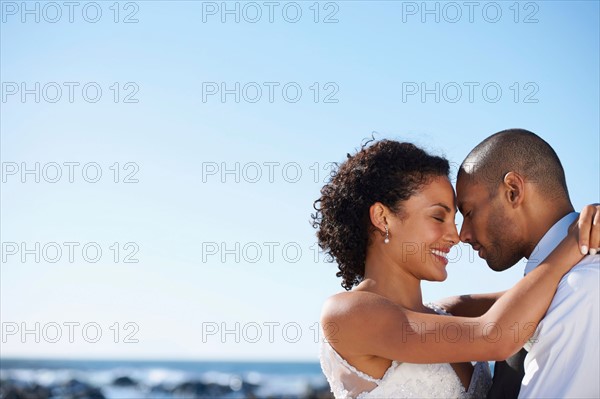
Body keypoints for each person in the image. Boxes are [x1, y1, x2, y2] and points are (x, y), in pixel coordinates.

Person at [312, 138, 598, 398]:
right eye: (438, 217)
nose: (456, 236)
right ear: (382, 217)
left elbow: (549, 289)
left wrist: (593, 222)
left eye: (460, 217)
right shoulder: (347, 314)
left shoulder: (450, 312)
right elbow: (493, 337)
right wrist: (576, 238)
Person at [439, 129, 599, 398]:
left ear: (513, 191)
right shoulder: (559, 282)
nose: (462, 235)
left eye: (468, 212)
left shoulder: (582, 286)